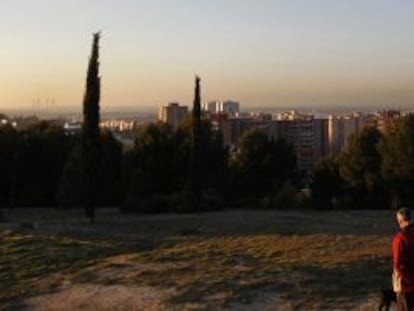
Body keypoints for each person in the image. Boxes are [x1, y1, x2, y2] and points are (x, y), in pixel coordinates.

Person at [393, 207, 414, 311]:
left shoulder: (400, 239)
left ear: (400, 221)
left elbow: (397, 263)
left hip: (406, 284)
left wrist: (407, 280)